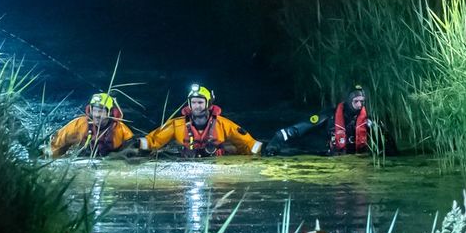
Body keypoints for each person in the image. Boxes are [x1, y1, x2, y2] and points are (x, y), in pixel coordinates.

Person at [265, 85, 394, 156]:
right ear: (349, 101)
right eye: (356, 102)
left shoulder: (369, 120)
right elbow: (300, 128)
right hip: (333, 158)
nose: (360, 105)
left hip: (359, 161)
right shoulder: (329, 115)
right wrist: (276, 140)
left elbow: (389, 144)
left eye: (362, 102)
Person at [140, 84, 264, 157]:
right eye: (193, 102)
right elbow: (154, 140)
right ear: (189, 104)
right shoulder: (176, 124)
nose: (196, 106)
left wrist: (264, 150)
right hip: (187, 167)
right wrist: (137, 144)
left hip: (217, 169)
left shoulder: (223, 124)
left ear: (209, 104)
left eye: (200, 102)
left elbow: (248, 143)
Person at [50, 92, 135, 158]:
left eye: (101, 111)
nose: (97, 115)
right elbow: (56, 144)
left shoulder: (122, 131)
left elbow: (131, 154)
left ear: (111, 113)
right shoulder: (78, 125)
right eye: (94, 110)